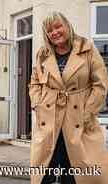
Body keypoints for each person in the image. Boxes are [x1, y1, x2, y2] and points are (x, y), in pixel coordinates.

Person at [29, 11, 108, 184]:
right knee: (45, 173)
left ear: (67, 26)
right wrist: (37, 104)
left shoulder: (87, 49)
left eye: (58, 27)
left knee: (77, 173)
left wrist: (87, 113)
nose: (54, 32)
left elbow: (100, 85)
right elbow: (34, 82)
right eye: (50, 30)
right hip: (50, 118)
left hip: (78, 118)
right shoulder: (43, 53)